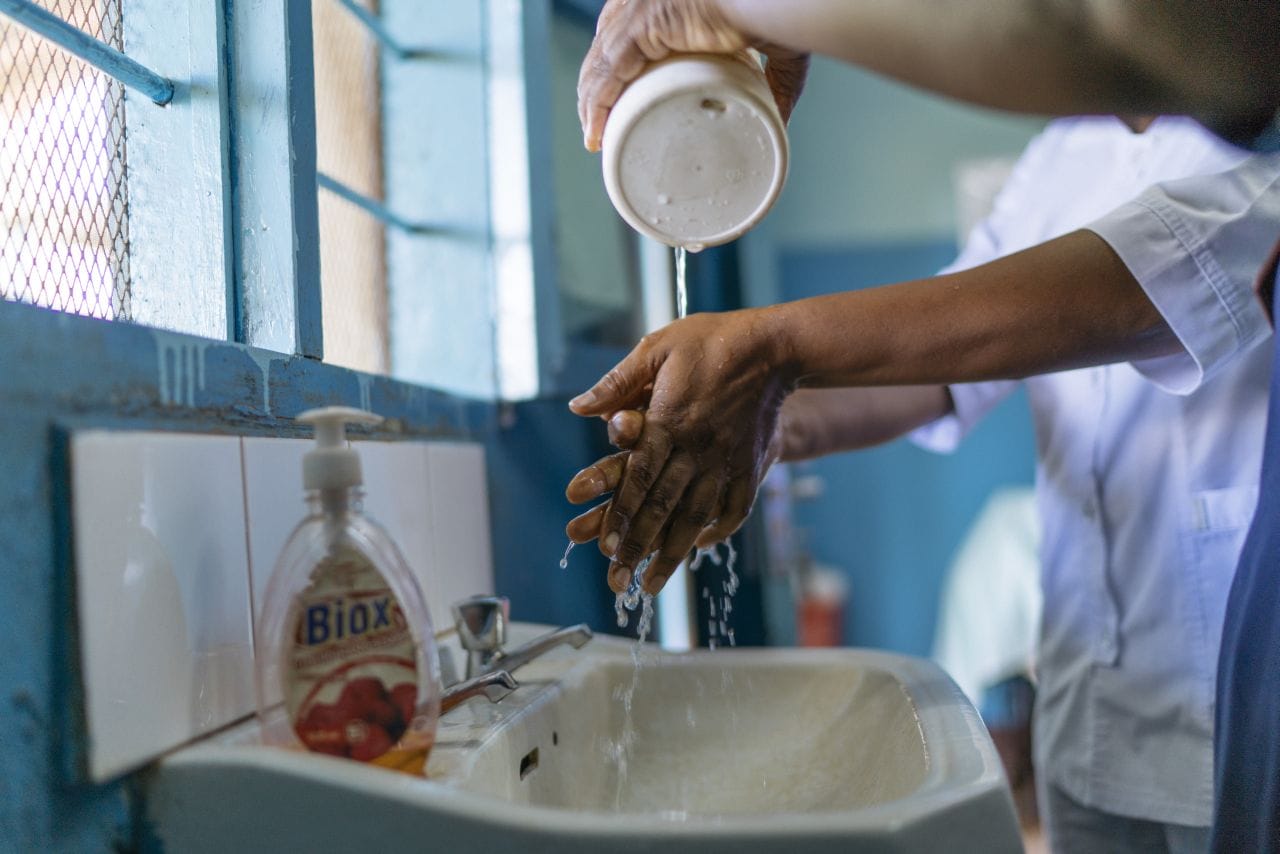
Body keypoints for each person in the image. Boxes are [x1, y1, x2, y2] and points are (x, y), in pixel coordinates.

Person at [569, 2, 1280, 850]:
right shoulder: (1068, 152)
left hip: (1231, 697)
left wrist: (769, 353)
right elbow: (943, 369)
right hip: (1089, 705)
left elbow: (1127, 290)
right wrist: (762, 427)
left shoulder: (1259, 125)